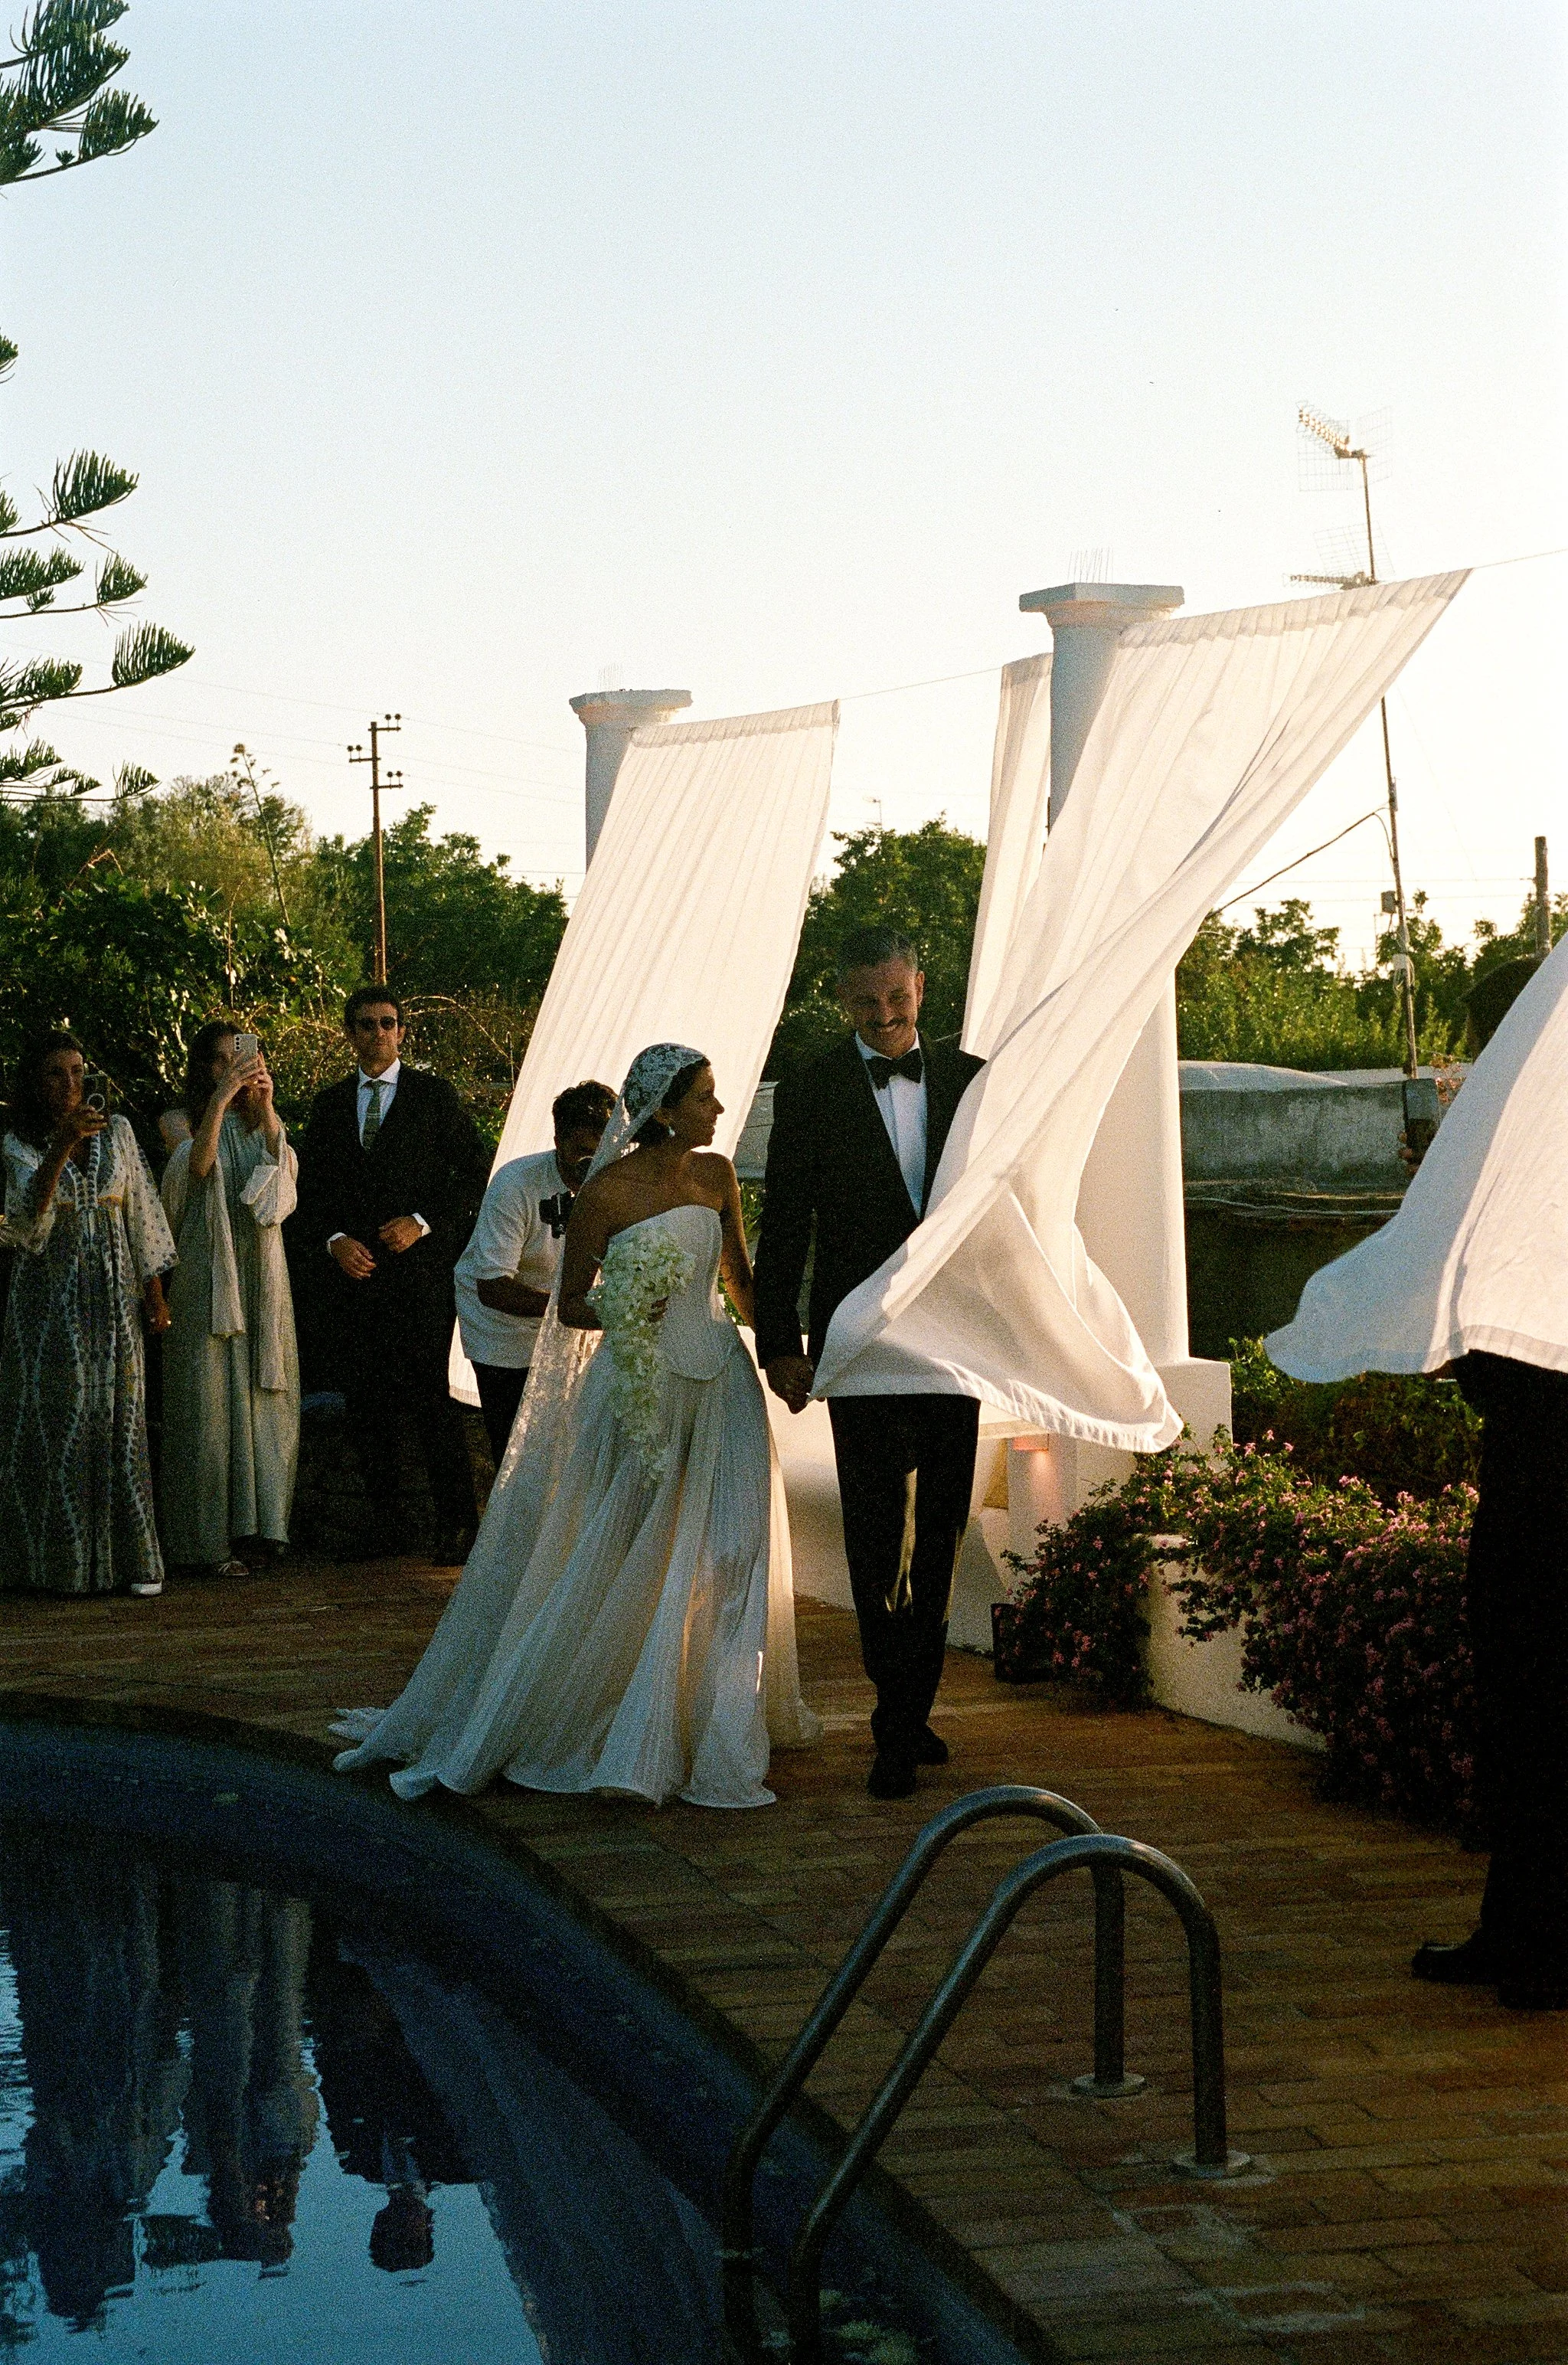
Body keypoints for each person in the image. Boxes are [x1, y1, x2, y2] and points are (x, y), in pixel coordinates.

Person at [332, 1042, 818, 1808]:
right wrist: (627, 1308)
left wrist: (781, 1355)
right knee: (628, 1547)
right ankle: (618, 1713)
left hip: (719, 1376)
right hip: (639, 1387)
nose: (719, 1111)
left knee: (732, 1544)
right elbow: (570, 1305)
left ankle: (715, 1711)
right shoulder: (605, 1193)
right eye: (705, 1097)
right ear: (664, 1108)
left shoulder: (716, 1176)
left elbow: (738, 1280)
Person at [753, 924, 984, 1798]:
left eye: (896, 998)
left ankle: (909, 1704)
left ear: (920, 987)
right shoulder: (810, 1089)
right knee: (873, 1539)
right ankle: (894, 1720)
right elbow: (785, 1226)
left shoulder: (970, 1079)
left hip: (952, 1341)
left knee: (941, 1538)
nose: (883, 1016)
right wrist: (779, 1340)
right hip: (858, 1344)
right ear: (840, 999)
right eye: (864, 1002)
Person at [1402, 954, 1566, 2013]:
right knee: (1517, 1708)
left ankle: (1544, 1947)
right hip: (1525, 1476)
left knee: (1546, 1708)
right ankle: (1514, 1930)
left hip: (1553, 1475)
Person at [296, 987, 493, 1565]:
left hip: (420, 1279)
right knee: (367, 1405)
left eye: (388, 1024)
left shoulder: (434, 1097)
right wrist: (334, 1242)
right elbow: (310, 1193)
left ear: (402, 1032)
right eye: (366, 1024)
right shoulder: (331, 1105)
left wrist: (422, 1222)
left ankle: (459, 1525)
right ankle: (384, 1526)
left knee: (432, 1402)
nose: (378, 1033)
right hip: (355, 1280)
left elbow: (475, 1174)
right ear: (349, 1032)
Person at [0, 1031, 175, 1598]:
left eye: (79, 1071)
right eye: (56, 1073)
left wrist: (155, 1296)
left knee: (122, 1423)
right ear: (34, 1082)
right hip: (50, 1305)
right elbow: (27, 1224)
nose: (71, 1085)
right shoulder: (16, 1142)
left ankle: (132, 1562)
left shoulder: (118, 1132)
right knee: (62, 1426)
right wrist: (59, 1146)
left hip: (116, 1301)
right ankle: (59, 1567)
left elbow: (142, 1217)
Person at [159, 1022, 301, 1577]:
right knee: (209, 1406)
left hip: (263, 1282)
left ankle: (264, 1529)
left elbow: (283, 1188)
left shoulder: (265, 1123)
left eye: (239, 1057)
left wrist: (265, 1108)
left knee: (265, 1401)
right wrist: (220, 1101)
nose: (233, 1068)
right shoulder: (184, 1124)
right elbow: (195, 1169)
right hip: (208, 1283)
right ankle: (207, 1543)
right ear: (203, 1071)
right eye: (219, 1061)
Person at [454, 1078, 614, 1467]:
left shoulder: (615, 1181)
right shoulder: (515, 1184)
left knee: (571, 1445)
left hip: (572, 1325)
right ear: (558, 1138)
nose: (590, 1164)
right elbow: (492, 1288)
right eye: (580, 1152)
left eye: (600, 1152)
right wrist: (573, 1309)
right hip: (501, 1333)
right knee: (515, 1448)